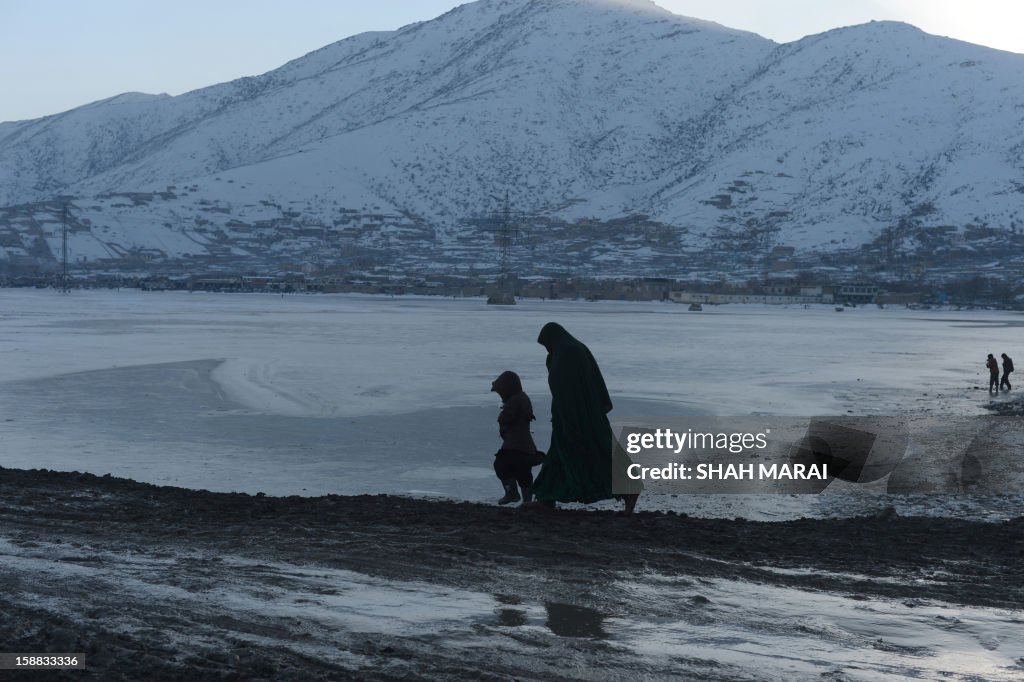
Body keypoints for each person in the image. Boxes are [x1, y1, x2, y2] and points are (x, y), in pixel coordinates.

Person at [530, 322, 639, 514]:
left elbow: (569, 388)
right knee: (559, 457)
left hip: (580, 417)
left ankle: (629, 488)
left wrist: (570, 418)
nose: (547, 349)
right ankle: (546, 497)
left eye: (546, 344)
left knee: (598, 452)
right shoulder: (569, 350)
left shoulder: (568, 353)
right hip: (573, 415)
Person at [490, 371, 544, 505]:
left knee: (503, 466)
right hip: (519, 445)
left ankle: (513, 493)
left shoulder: (516, 400)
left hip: (517, 446)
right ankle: (523, 498)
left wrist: (503, 416)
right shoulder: (521, 398)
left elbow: (506, 418)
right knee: (522, 471)